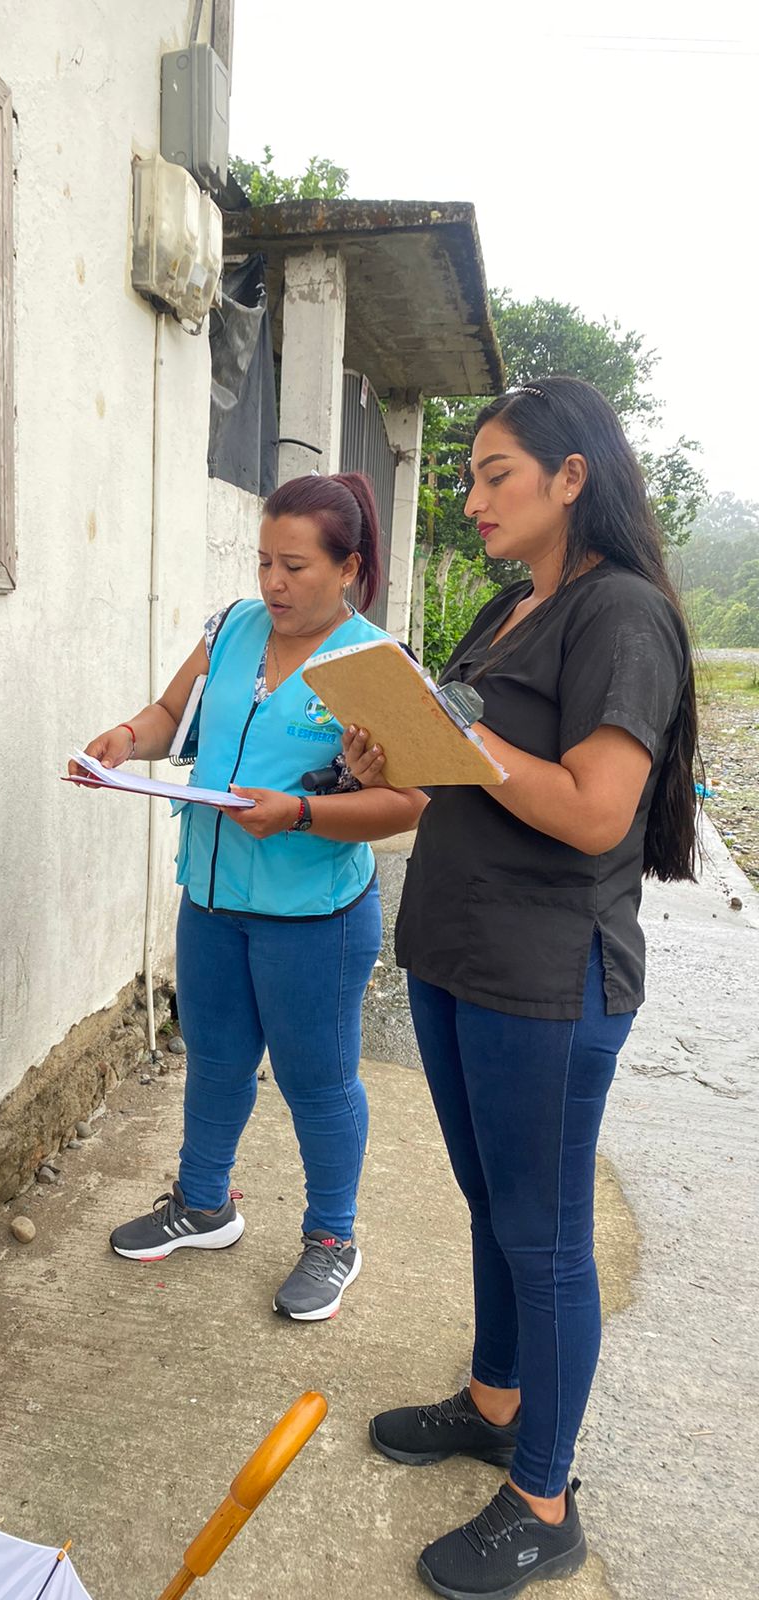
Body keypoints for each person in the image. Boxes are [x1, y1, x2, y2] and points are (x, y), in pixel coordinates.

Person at [347, 378, 697, 1598]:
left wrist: (462, 740)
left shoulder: (622, 616)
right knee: (493, 1203)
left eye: (496, 473)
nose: (474, 496)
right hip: (457, 956)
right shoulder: (509, 608)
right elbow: (465, 770)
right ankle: (496, 1403)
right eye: (469, 474)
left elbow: (597, 810)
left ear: (570, 477)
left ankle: (545, 1501)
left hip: (547, 977)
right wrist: (392, 746)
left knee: (544, 1239)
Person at [70, 474, 426, 1321]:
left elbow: (410, 802)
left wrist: (300, 813)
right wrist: (124, 740)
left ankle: (333, 1238)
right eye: (264, 561)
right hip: (212, 900)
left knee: (318, 1082)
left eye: (295, 567)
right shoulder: (231, 628)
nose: (273, 583)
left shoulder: (375, 665)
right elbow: (172, 713)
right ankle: (204, 1206)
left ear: (348, 568)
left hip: (313, 920)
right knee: (217, 1059)